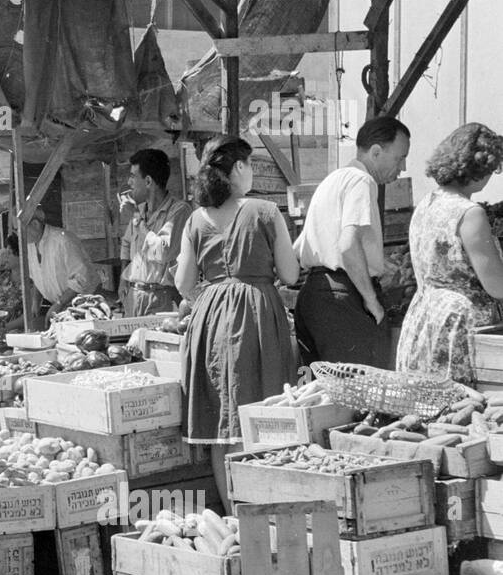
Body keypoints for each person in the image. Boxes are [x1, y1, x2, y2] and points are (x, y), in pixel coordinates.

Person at [176, 137, 300, 511]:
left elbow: (182, 283)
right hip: (258, 315)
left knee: (223, 425)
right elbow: (291, 274)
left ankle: (234, 513)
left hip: (210, 320)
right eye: (250, 164)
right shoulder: (265, 210)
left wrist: (212, 299)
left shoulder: (196, 219)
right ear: (240, 169)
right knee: (265, 409)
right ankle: (266, 509)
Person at [294, 116, 411, 369]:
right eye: (399, 158)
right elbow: (347, 246)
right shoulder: (362, 180)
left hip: (315, 295)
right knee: (360, 391)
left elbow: (303, 245)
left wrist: (374, 261)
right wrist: (371, 300)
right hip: (344, 297)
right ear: (377, 151)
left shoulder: (333, 180)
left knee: (330, 394)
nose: (402, 168)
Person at [397, 124, 503, 383]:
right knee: (465, 412)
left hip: (425, 320)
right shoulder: (469, 213)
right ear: (478, 169)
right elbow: (497, 285)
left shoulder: (427, 203)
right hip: (461, 327)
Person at [118, 148, 192, 317]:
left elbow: (163, 252)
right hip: (134, 295)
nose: (129, 182)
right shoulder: (140, 210)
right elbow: (126, 242)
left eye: (133, 176)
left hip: (160, 298)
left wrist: (136, 219)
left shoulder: (179, 211)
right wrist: (123, 281)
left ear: (149, 181)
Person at [24, 209, 98, 315]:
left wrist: (59, 304)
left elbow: (81, 279)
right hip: (61, 307)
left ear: (35, 224)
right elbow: (38, 276)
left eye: (19, 229)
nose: (18, 234)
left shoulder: (63, 240)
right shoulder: (30, 245)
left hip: (84, 306)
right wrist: (36, 301)